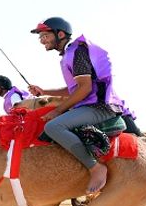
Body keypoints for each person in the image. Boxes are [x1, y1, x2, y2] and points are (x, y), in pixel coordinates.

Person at [27, 17, 127, 193]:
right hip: (90, 105)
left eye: (45, 35)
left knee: (54, 127)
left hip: (100, 107)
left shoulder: (77, 52)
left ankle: (95, 168)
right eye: (40, 37)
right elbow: (74, 89)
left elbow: (85, 88)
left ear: (60, 34)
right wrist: (44, 91)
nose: (42, 40)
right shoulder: (69, 54)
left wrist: (58, 111)